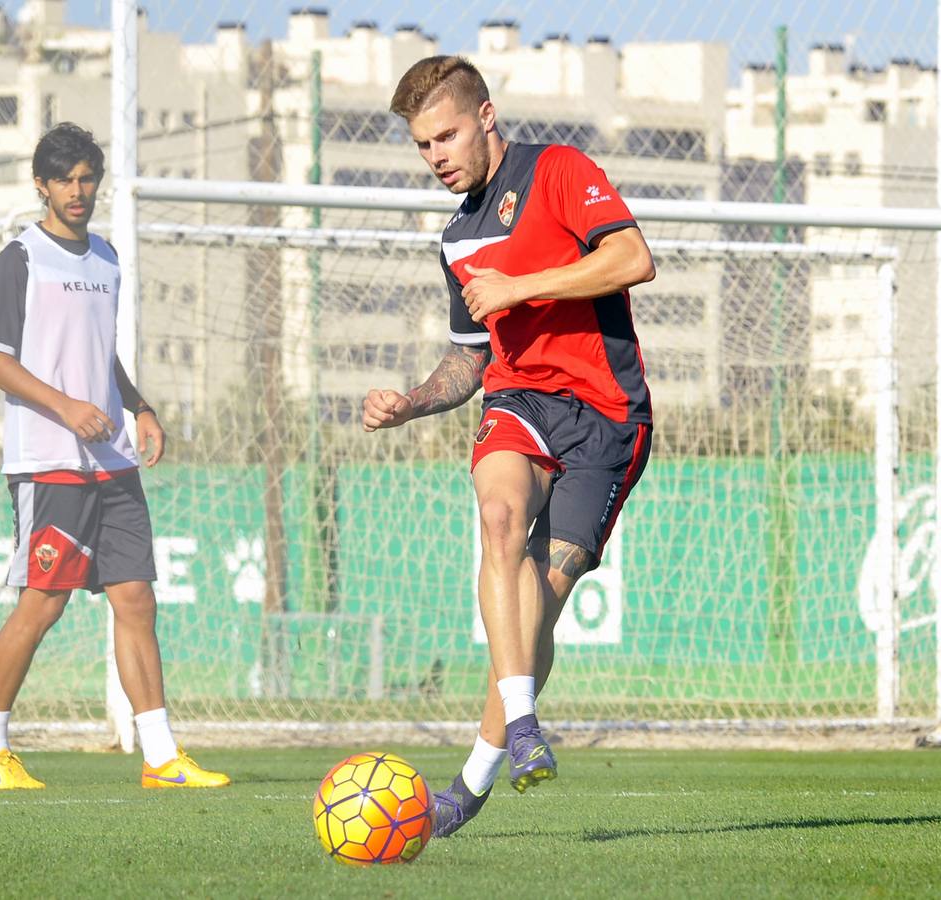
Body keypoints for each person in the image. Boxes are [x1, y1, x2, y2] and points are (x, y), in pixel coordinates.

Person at [364, 57, 655, 836]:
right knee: (497, 519)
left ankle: (475, 777)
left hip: (606, 418)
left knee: (537, 610)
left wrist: (521, 287)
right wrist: (413, 402)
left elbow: (633, 259)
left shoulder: (559, 171)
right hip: (519, 398)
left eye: (447, 135)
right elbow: (470, 358)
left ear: (486, 116)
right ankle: (525, 726)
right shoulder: (457, 239)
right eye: (424, 146)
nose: (437, 157)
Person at [0, 123, 229, 790]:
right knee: (43, 605)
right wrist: (65, 407)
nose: (79, 191)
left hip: (113, 461)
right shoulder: (20, 258)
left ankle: (161, 756)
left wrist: (138, 406)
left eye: (88, 178)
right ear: (42, 186)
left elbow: (100, 353)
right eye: (66, 180)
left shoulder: (108, 257)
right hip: (49, 459)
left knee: (136, 599)